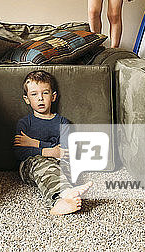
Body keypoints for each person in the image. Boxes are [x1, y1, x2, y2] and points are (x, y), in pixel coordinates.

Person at [13, 70, 92, 215]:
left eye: (45, 93)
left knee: (66, 168)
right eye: (34, 94)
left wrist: (34, 143)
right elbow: (19, 153)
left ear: (53, 96)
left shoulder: (63, 123)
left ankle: (62, 201)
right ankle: (64, 194)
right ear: (26, 99)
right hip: (31, 165)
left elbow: (65, 151)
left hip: (59, 162)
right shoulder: (24, 123)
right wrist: (47, 151)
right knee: (43, 164)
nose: (40, 99)